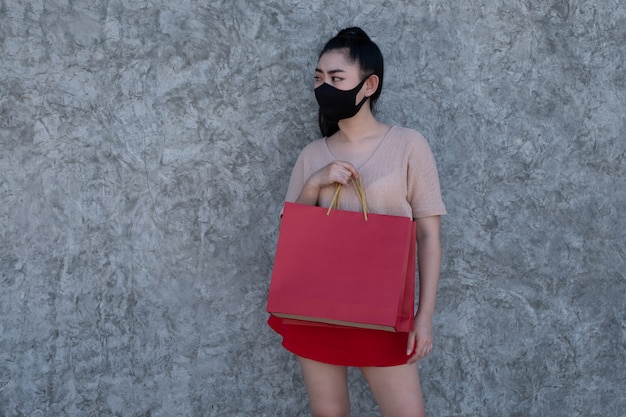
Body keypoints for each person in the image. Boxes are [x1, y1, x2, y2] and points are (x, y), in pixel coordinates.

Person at [268, 27, 446, 417]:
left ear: (369, 85)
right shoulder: (312, 154)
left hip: (382, 310)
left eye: (336, 78)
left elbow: (429, 235)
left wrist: (425, 317)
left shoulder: (408, 145)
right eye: (318, 78)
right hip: (315, 307)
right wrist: (316, 182)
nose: (323, 87)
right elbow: (292, 235)